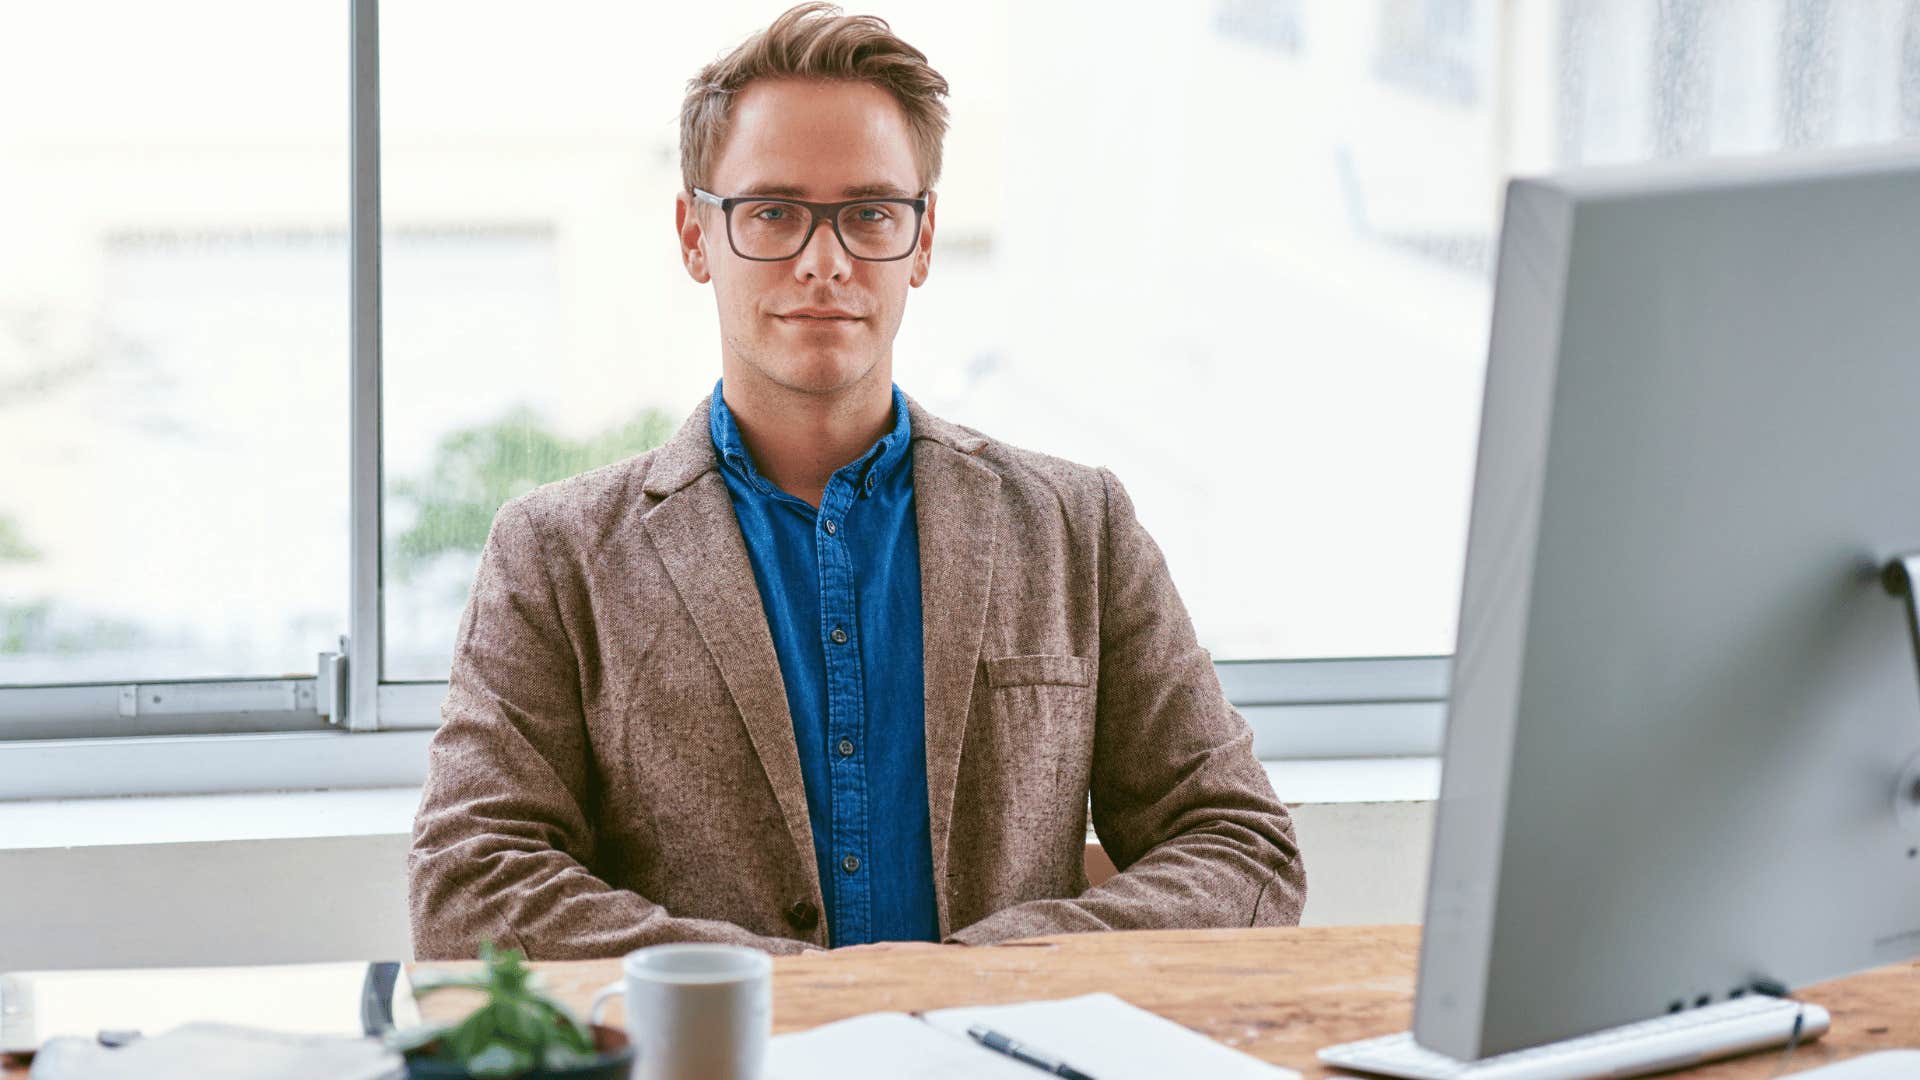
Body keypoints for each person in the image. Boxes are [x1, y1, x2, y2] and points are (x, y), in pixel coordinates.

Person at [408, 2, 1306, 960]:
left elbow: (1242, 848)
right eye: (774, 212)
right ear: (693, 236)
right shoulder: (556, 553)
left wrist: (984, 976)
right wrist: (793, 993)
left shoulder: (1077, 527)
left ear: (920, 241)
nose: (824, 260)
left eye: (871, 212)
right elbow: (469, 881)